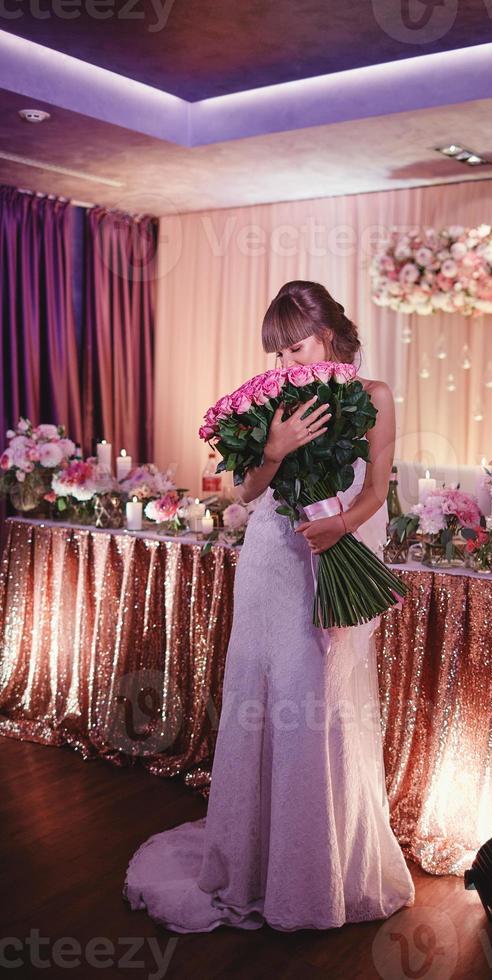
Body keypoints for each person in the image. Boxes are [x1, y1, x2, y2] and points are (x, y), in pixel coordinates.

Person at [123, 280, 415, 931]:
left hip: (329, 559)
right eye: (277, 353)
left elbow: (376, 487)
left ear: (332, 334)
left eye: (296, 347)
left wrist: (341, 528)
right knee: (261, 690)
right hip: (269, 561)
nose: (286, 365)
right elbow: (246, 489)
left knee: (317, 697)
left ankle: (314, 870)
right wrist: (275, 450)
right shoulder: (272, 400)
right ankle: (254, 860)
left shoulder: (373, 398)